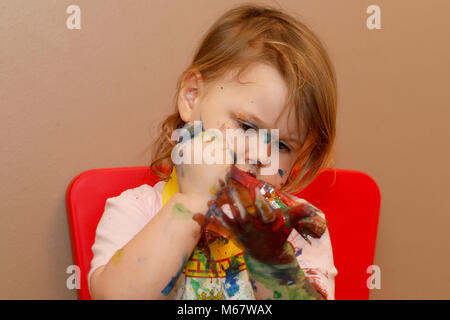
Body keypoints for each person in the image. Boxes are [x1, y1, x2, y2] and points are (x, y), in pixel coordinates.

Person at [88, 4, 338, 300]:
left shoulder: (298, 230)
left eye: (282, 145)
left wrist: (265, 246)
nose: (260, 155)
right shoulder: (136, 211)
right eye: (246, 126)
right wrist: (192, 202)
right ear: (192, 96)